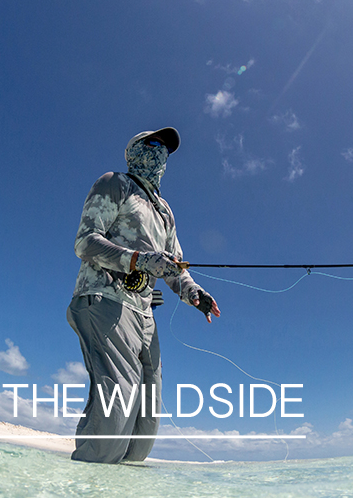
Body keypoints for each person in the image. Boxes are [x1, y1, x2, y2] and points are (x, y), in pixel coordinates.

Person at [67, 127, 220, 463]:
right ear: (133, 150)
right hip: (106, 299)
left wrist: (195, 294)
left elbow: (176, 267)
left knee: (144, 430)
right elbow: (85, 242)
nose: (160, 151)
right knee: (116, 408)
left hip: (145, 316)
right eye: (153, 143)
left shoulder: (165, 212)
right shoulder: (115, 183)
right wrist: (137, 260)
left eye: (165, 147)